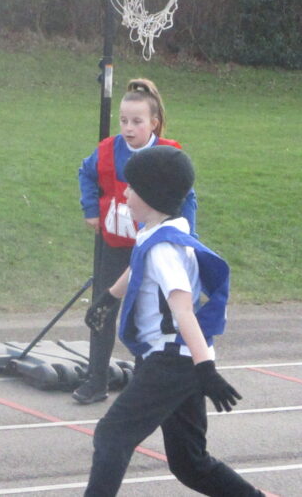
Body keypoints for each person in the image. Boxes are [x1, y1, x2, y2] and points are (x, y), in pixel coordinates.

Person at [82, 145, 262, 496]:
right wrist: (108, 298)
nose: (127, 192)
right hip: (177, 360)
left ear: (151, 195)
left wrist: (205, 369)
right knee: (189, 462)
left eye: (132, 187)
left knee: (112, 435)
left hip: (172, 360)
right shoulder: (161, 233)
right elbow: (137, 266)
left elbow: (183, 311)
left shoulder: (166, 249)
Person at [74, 78, 197, 404]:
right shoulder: (106, 151)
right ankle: (95, 380)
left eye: (137, 122)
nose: (129, 128)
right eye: (124, 121)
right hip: (114, 245)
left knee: (148, 317)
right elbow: (85, 172)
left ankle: (146, 381)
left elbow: (188, 198)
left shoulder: (168, 156)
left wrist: (188, 238)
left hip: (151, 248)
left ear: (153, 123)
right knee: (103, 310)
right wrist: (91, 209)